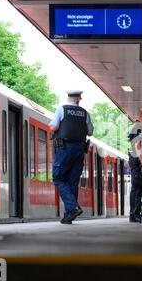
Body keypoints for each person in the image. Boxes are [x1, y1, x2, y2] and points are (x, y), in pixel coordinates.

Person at [49, 90, 93, 224]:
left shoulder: (61, 110)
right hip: (79, 149)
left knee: (58, 178)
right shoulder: (85, 113)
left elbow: (53, 127)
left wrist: (53, 127)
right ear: (79, 98)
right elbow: (90, 132)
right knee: (73, 182)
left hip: (65, 148)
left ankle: (73, 207)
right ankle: (69, 215)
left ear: (68, 98)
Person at [128, 110, 142, 223]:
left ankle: (135, 213)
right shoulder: (139, 128)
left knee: (138, 188)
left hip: (136, 162)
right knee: (137, 188)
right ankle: (134, 214)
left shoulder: (138, 127)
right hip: (137, 163)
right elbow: (138, 146)